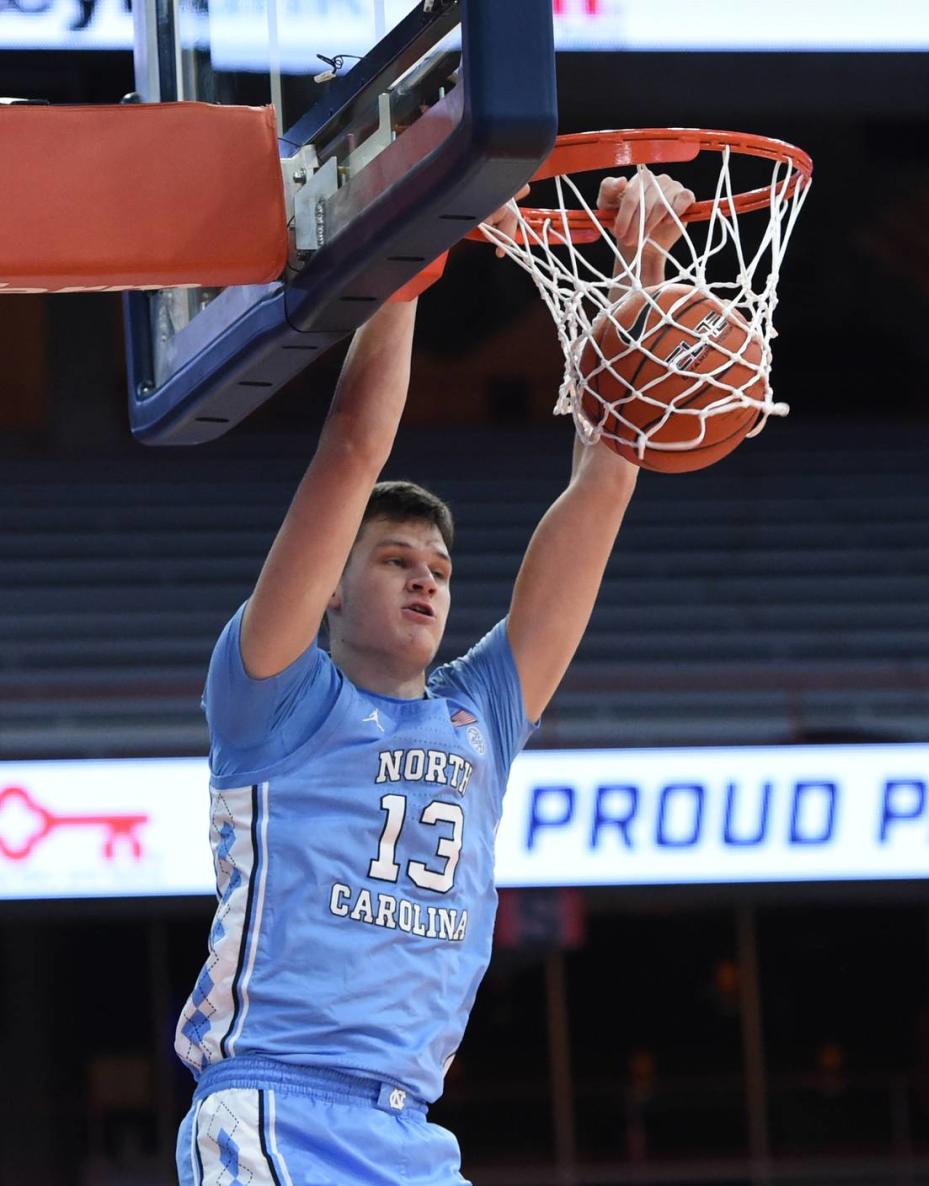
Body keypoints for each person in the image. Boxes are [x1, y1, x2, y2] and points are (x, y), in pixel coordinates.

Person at [174, 168, 694, 1186]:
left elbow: (604, 482)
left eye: (442, 570)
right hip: (278, 1106)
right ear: (331, 587)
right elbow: (355, 446)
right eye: (395, 560)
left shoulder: (479, 716)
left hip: (412, 1135)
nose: (425, 580)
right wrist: (412, 242)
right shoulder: (273, 695)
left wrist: (640, 268)